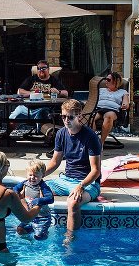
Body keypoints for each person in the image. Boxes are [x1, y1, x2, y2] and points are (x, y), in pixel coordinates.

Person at [44, 99, 102, 244]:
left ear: (79, 116)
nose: (66, 120)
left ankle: (70, 237)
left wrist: (81, 186)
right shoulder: (61, 134)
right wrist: (39, 175)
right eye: (63, 116)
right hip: (66, 180)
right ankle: (37, 225)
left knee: (73, 203)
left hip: (88, 183)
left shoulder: (91, 137)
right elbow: (55, 162)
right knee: (33, 190)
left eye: (70, 117)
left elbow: (96, 171)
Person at [6, 60, 68, 135]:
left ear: (48, 69)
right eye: (39, 68)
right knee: (12, 117)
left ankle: (42, 135)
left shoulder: (53, 80)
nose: (41, 70)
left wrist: (58, 92)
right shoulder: (31, 79)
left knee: (43, 114)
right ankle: (6, 136)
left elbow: (66, 93)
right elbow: (19, 91)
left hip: (43, 107)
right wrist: (32, 93)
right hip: (26, 107)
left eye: (43, 68)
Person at [12, 160, 54, 240]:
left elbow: (50, 198)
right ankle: (30, 239)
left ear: (43, 175)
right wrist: (16, 193)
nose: (32, 177)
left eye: (36, 175)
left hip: (42, 217)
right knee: (20, 230)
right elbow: (15, 188)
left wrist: (38, 200)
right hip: (30, 216)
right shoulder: (25, 183)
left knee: (39, 237)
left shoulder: (43, 187)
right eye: (30, 175)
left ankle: (44, 233)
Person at [93, 71, 130, 144]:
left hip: (112, 110)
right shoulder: (100, 90)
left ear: (116, 82)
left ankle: (101, 143)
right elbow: (92, 100)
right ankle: (93, 141)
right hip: (98, 109)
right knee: (90, 117)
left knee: (108, 116)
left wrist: (125, 105)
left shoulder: (123, 92)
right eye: (106, 79)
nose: (106, 81)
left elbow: (126, 102)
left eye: (109, 79)